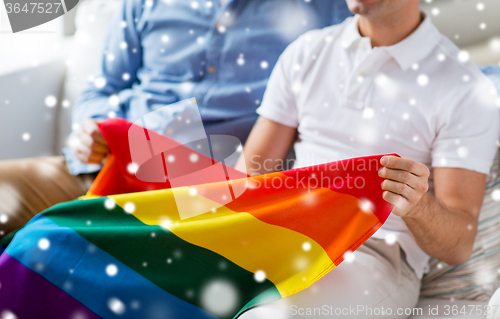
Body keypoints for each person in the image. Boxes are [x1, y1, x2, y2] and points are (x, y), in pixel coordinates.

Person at [235, 0, 499, 317]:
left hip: (373, 253)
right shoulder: (306, 52)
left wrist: (417, 205)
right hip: (286, 231)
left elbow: (458, 246)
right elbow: (243, 182)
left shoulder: (466, 89)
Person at [0, 0, 353, 237]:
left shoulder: (327, 11)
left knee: (48, 250)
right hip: (101, 170)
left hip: (206, 201)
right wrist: (90, 129)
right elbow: (103, 88)